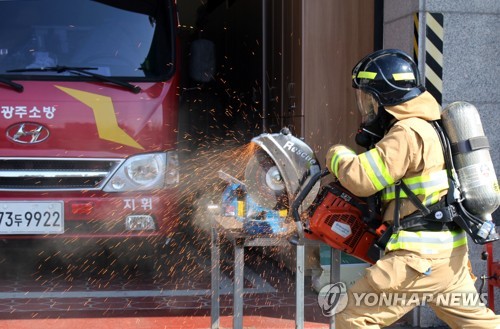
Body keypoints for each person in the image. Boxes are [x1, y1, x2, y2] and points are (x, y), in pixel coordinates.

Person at [325, 49, 500, 328]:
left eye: (369, 100)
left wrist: (336, 154)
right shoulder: (434, 128)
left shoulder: (407, 132)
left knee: (352, 315)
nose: (367, 109)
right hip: (450, 259)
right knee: (479, 324)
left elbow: (360, 177)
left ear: (386, 98)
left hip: (417, 262)